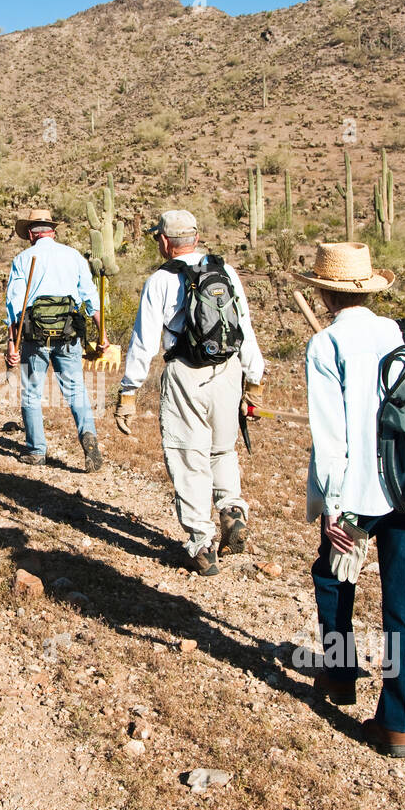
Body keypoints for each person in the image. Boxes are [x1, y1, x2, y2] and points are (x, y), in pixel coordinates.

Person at [291, 241, 405, 759]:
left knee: (333, 577)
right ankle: (396, 722)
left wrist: (331, 504)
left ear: (325, 292)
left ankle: (341, 671)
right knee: (401, 605)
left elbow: (330, 436)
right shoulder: (403, 332)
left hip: (357, 491)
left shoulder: (325, 345)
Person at [114, 210, 265, 576]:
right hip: (228, 372)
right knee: (222, 448)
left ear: (165, 241)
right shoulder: (225, 271)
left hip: (185, 374)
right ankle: (231, 510)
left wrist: (128, 392)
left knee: (187, 455)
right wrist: (254, 380)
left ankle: (201, 542)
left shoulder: (161, 280)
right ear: (196, 238)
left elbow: (144, 342)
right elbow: (243, 327)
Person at [4, 207, 103, 472]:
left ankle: (37, 450)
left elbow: (14, 306)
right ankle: (88, 436)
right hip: (68, 335)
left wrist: (12, 344)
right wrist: (101, 334)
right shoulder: (73, 257)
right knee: (76, 390)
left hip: (34, 338)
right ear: (53, 232)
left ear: (30, 235)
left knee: (31, 393)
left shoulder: (24, 259)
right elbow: (91, 300)